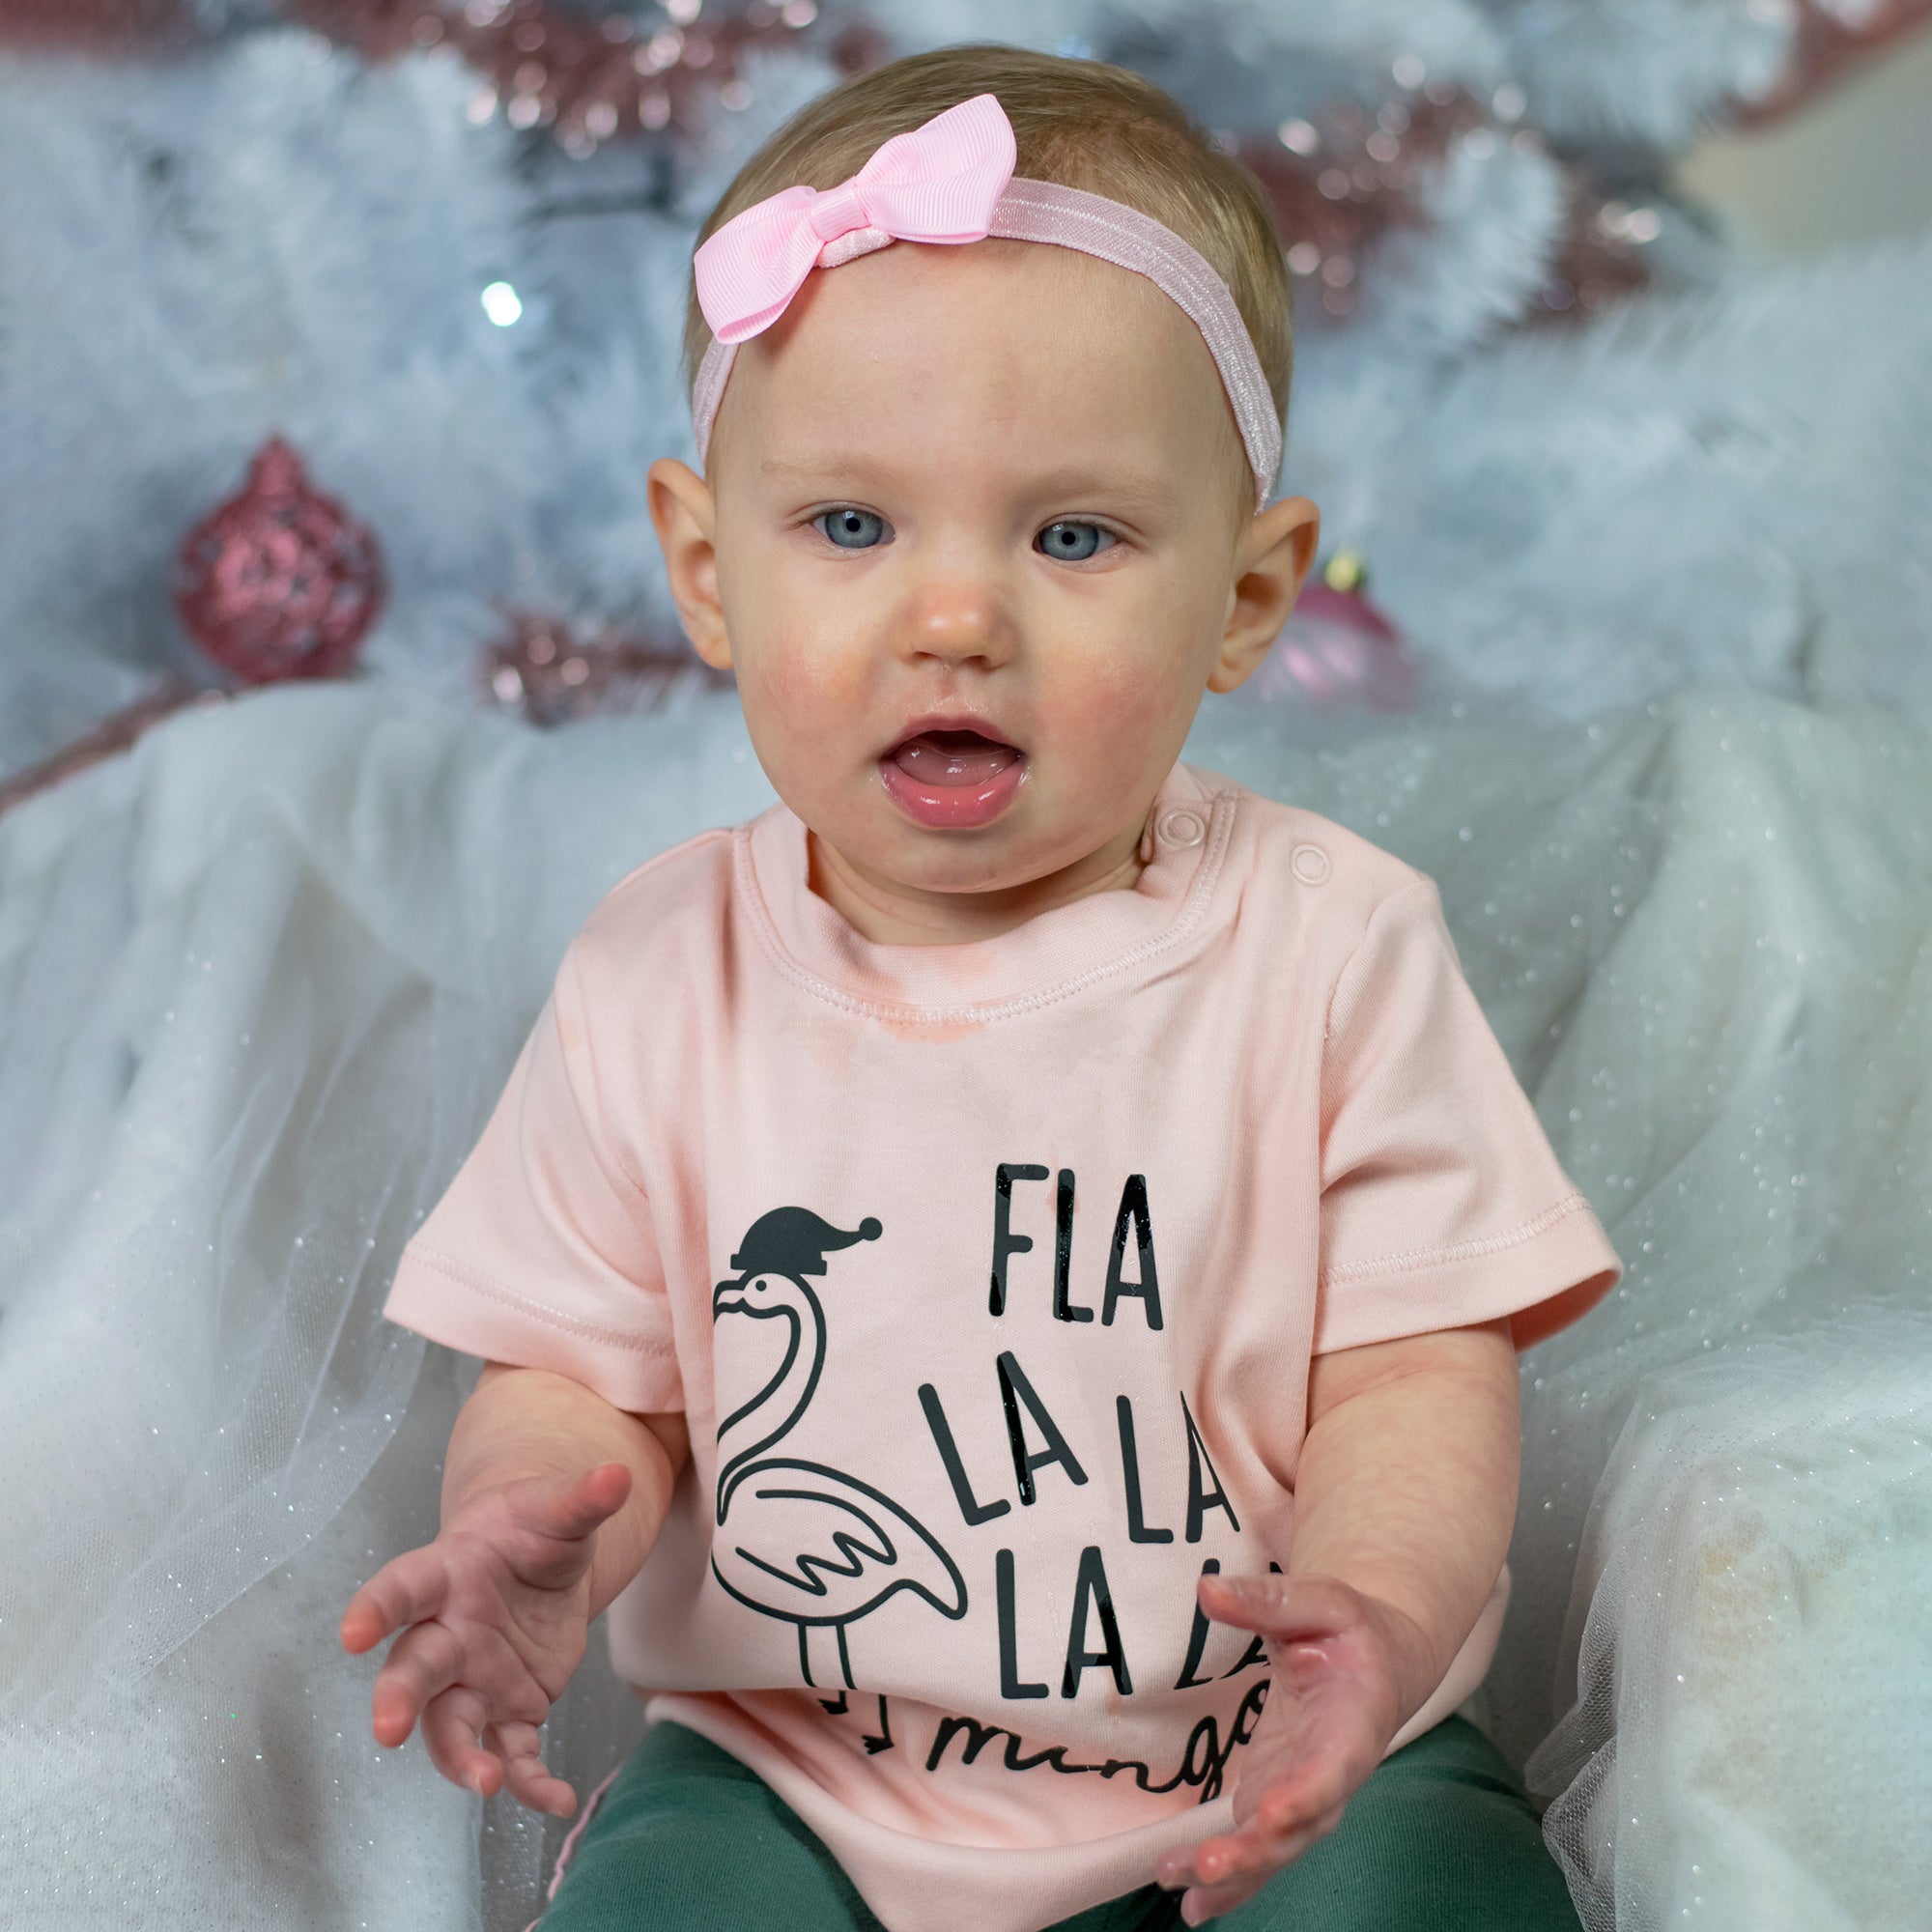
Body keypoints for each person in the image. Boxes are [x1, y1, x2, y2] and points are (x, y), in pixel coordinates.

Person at [340, 44, 1622, 1932]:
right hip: (805, 1771)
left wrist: (1376, 1614)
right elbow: (574, 1375)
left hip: (1288, 1751)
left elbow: (1413, 1376)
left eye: (1072, 535)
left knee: (1426, 1902)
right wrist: (530, 1527)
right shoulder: (658, 974)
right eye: (851, 527)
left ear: (1247, 599)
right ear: (707, 567)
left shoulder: (1330, 945)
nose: (954, 617)